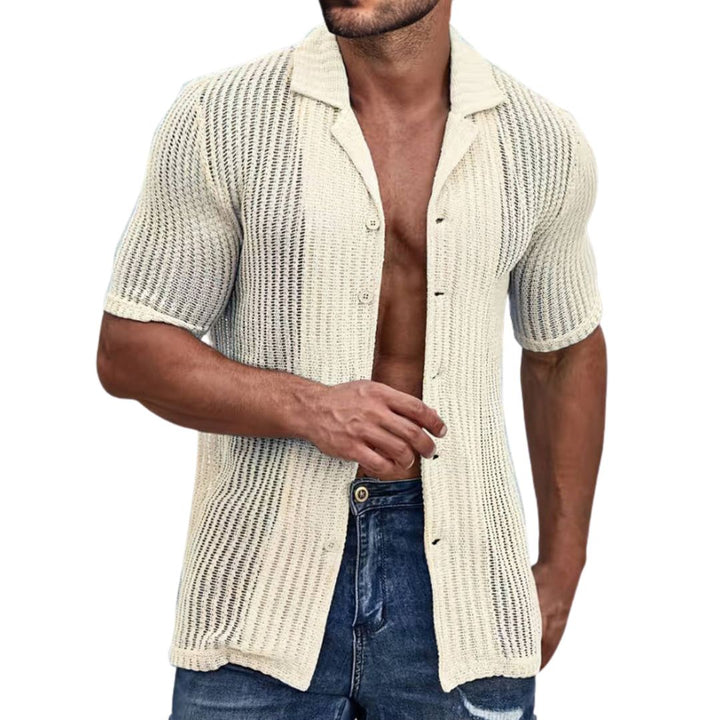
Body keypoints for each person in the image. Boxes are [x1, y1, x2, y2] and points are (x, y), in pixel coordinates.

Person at [97, 0, 607, 717]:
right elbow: (129, 349)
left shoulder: (542, 141)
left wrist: (564, 564)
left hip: (465, 591)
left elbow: (564, 351)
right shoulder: (222, 117)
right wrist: (309, 408)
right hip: (260, 585)